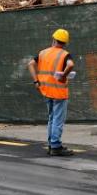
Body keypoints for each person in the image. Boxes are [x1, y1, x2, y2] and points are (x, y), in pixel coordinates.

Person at [28, 28, 76, 156]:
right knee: (57, 119)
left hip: (45, 90)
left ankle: (51, 144)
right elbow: (70, 65)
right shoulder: (65, 54)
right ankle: (55, 146)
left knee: (51, 118)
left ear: (53, 39)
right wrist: (64, 76)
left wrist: (36, 82)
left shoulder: (43, 53)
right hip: (59, 93)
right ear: (65, 43)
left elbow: (30, 64)